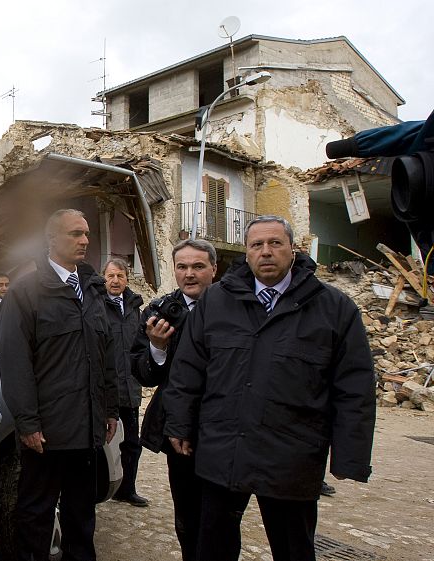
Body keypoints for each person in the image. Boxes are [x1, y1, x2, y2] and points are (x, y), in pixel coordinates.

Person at [165, 215, 376, 561]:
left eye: (275, 243)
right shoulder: (216, 302)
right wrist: (179, 424)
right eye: (257, 245)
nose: (266, 252)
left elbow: (354, 388)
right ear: (246, 254)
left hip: (290, 458)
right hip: (223, 453)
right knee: (212, 547)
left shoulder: (334, 309)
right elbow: (188, 371)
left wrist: (350, 457)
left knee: (293, 548)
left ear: (293, 249)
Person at [0, 208, 119, 561]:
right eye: (75, 234)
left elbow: (105, 355)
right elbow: (15, 363)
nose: (84, 240)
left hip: (87, 431)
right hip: (47, 435)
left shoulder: (93, 289)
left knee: (82, 517)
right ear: (52, 239)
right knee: (35, 515)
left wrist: (109, 409)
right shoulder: (27, 291)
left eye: (86, 234)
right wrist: (28, 423)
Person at [130, 238, 217, 561]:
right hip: (179, 430)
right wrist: (157, 348)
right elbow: (143, 373)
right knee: (188, 515)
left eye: (198, 266)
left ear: (213, 269)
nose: (189, 274)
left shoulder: (234, 308)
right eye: (182, 267)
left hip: (224, 426)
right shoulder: (158, 310)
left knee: (220, 518)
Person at [101, 258, 147, 507]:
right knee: (101, 443)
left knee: (131, 443)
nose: (115, 281)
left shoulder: (134, 307)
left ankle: (127, 489)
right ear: (104, 278)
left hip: (130, 387)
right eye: (111, 276)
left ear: (127, 279)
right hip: (106, 388)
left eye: (120, 276)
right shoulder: (96, 305)